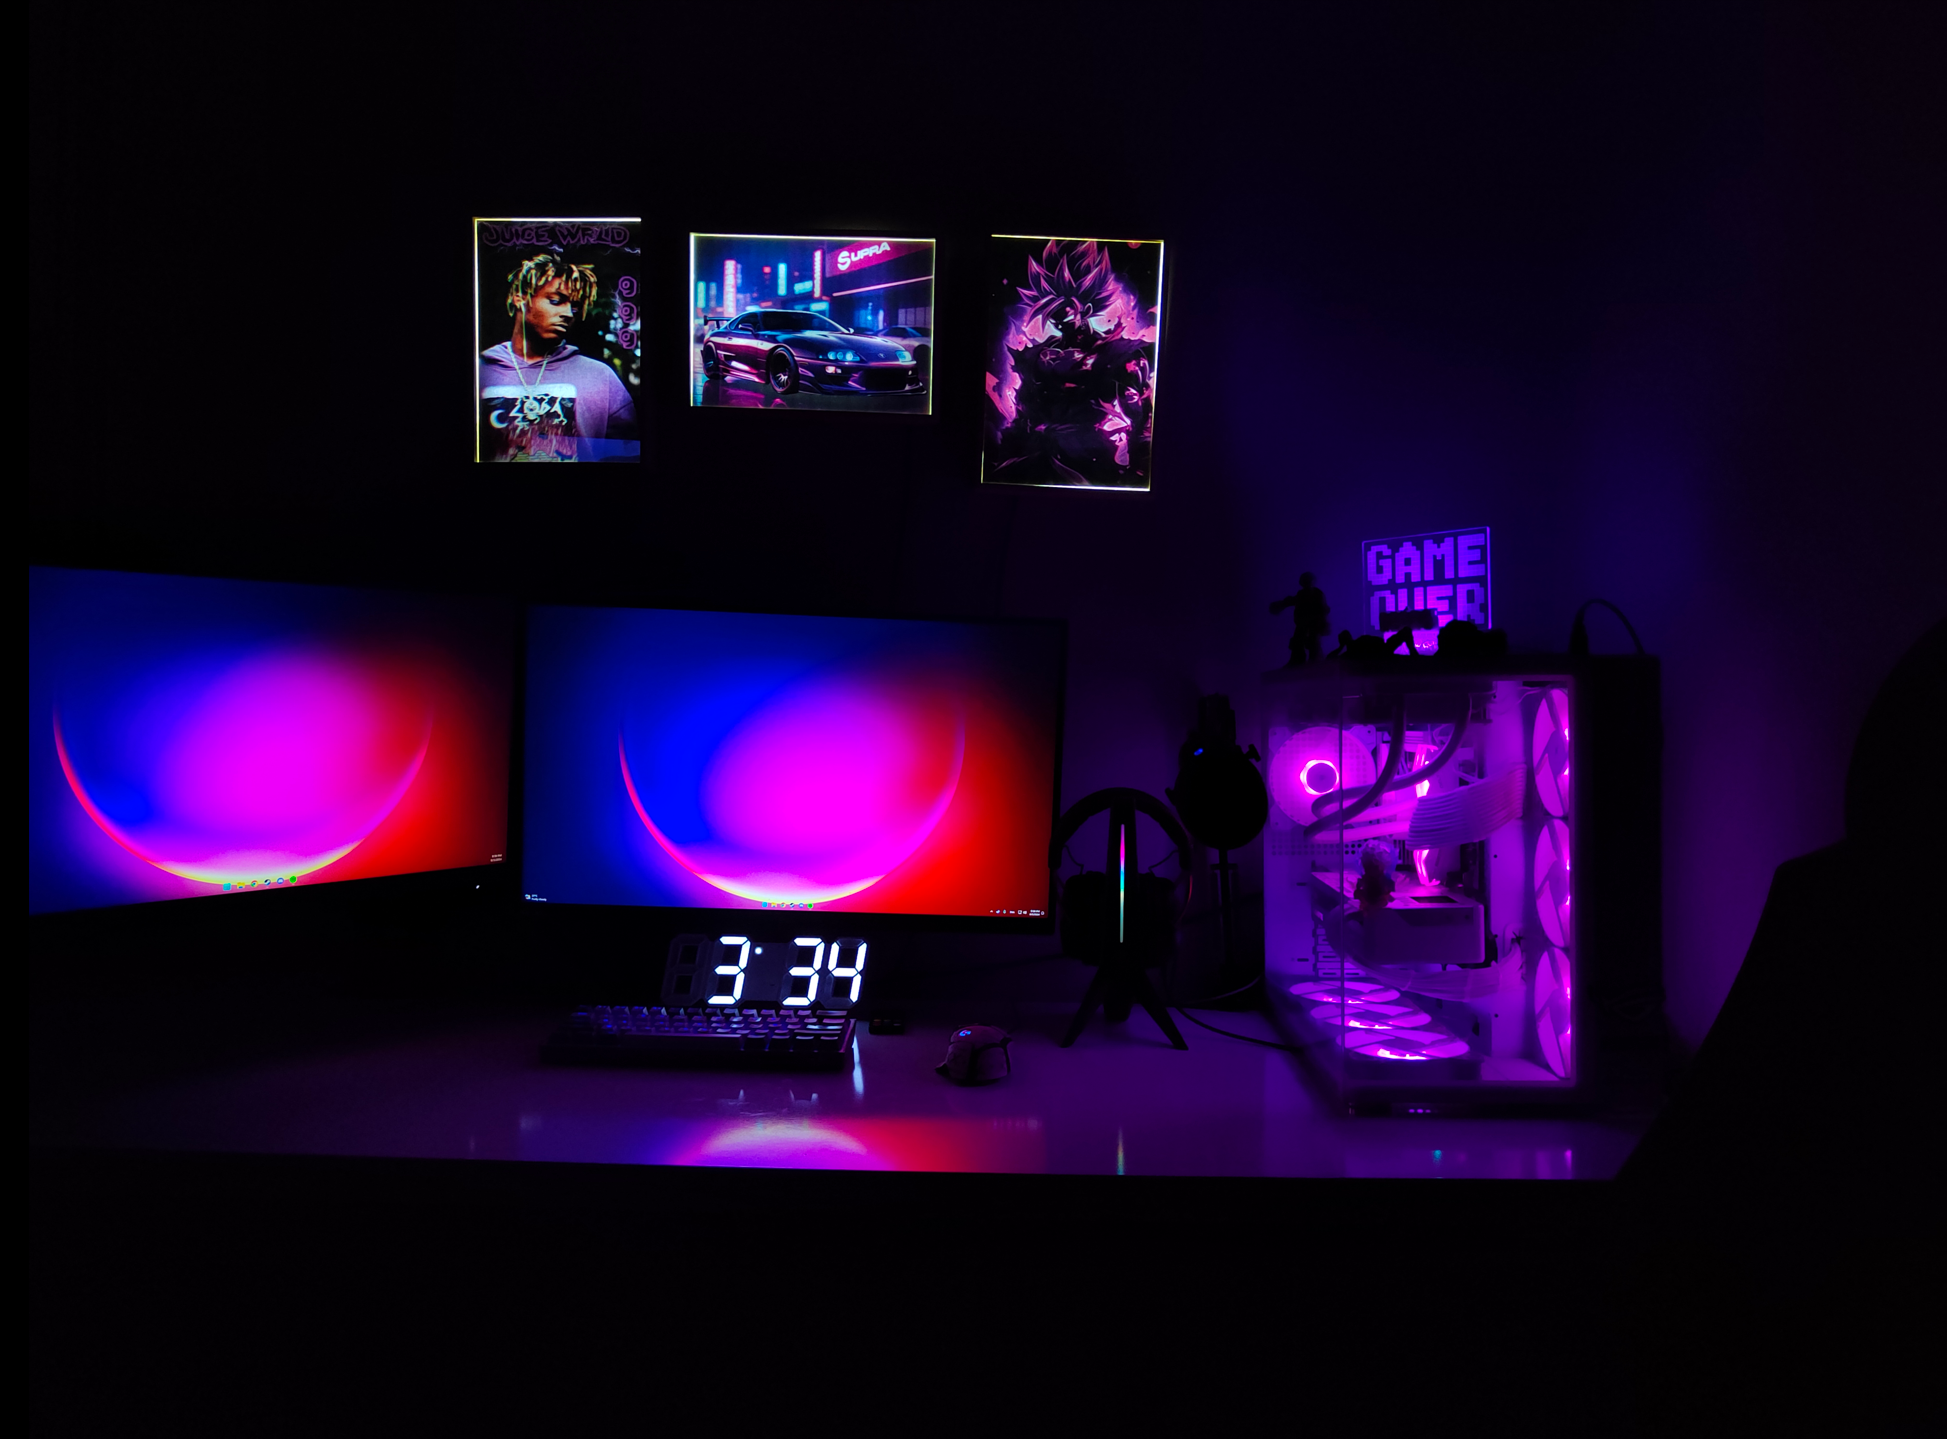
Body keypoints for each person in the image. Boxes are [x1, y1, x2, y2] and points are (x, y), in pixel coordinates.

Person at [479, 252, 636, 462]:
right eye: (555, 300)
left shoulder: (600, 377)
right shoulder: (480, 372)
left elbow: (629, 454)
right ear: (520, 299)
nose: (568, 314)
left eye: (574, 307)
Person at [1270, 574, 1331, 665]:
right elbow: (1292, 600)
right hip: (1304, 623)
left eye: (1307, 580)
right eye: (1304, 581)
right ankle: (1298, 659)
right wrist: (1281, 604)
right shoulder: (1303, 594)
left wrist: (1323, 623)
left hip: (1313, 623)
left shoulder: (1316, 593)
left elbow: (1324, 609)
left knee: (1312, 642)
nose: (1306, 583)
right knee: (1299, 640)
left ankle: (1314, 660)